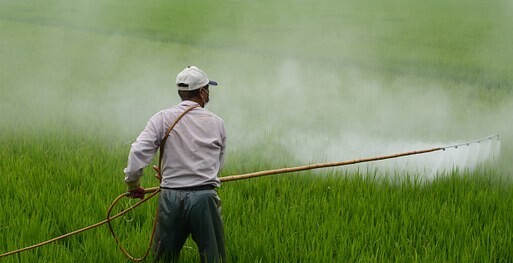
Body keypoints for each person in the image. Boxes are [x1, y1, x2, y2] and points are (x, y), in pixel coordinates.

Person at [123, 66, 227, 262]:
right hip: (205, 198)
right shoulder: (217, 123)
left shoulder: (162, 118)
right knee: (214, 258)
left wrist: (133, 185)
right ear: (202, 92)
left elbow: (138, 151)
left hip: (171, 198)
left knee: (165, 258)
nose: (209, 93)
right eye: (208, 89)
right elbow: (218, 166)